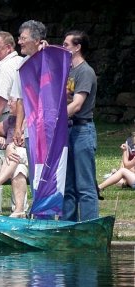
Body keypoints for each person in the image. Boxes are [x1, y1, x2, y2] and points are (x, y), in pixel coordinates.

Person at [62, 30, 98, 221]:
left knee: (85, 186)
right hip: (68, 129)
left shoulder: (85, 71)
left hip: (83, 130)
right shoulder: (68, 70)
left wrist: (55, 119)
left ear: (78, 48)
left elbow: (76, 104)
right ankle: (69, 227)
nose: (63, 47)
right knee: (67, 185)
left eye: (67, 45)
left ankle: (90, 227)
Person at [0, 31, 23, 213]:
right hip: (17, 120)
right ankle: (18, 208)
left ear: (9, 47)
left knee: (1, 162)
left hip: (6, 119)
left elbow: (0, 102)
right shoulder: (21, 62)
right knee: (17, 165)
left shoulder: (5, 68)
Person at [11, 20, 48, 196]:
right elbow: (20, 99)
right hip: (30, 129)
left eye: (23, 38)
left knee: (49, 171)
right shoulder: (22, 65)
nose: (19, 42)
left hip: (48, 129)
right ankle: (38, 210)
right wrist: (18, 127)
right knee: (35, 171)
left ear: (37, 40)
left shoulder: (50, 60)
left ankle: (51, 213)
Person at [0, 98, 28, 217]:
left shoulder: (30, 120)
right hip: (15, 163)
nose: (8, 104)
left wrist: (9, 147)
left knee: (16, 152)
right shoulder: (11, 120)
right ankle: (19, 210)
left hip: (30, 160)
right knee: (19, 169)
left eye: (12, 101)